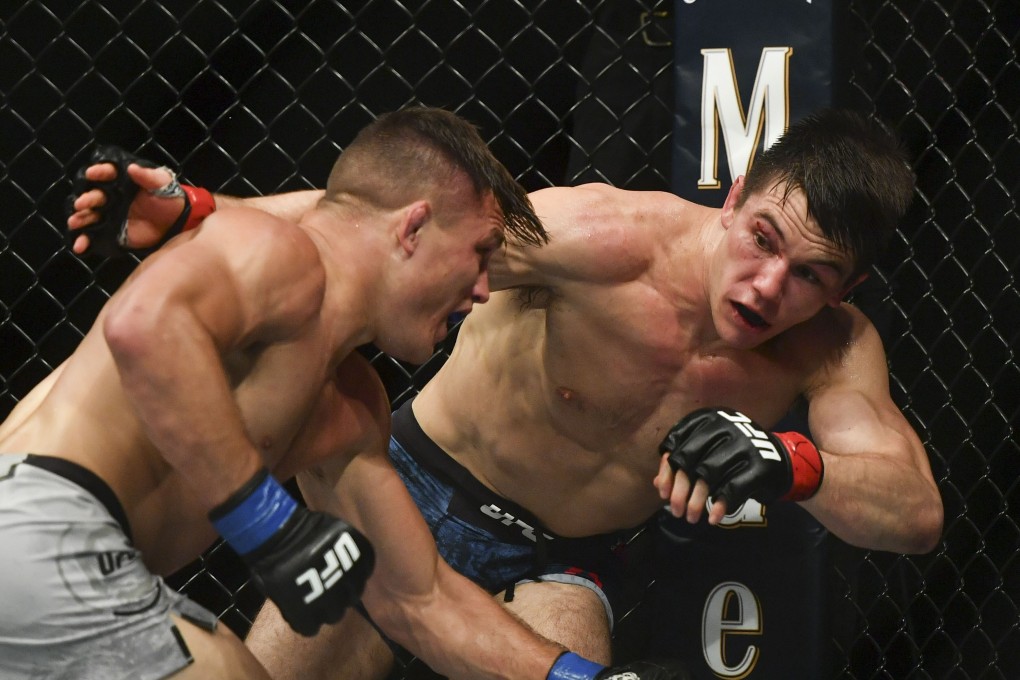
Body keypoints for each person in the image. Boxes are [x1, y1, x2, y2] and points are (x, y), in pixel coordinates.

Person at [66, 108, 944, 679]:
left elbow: (915, 516)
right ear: (737, 197)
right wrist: (203, 214)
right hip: (408, 494)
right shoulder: (608, 241)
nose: (766, 285)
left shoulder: (832, 348)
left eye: (810, 276)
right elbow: (374, 226)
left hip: (566, 557)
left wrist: (794, 463)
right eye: (762, 238)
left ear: (849, 289)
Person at [4, 106, 691, 680]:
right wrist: (267, 523)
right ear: (414, 228)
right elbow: (142, 329)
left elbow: (418, 599)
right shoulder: (276, 254)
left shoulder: (348, 406)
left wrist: (586, 678)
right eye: (481, 252)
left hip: (79, 571)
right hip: (34, 527)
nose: (485, 289)